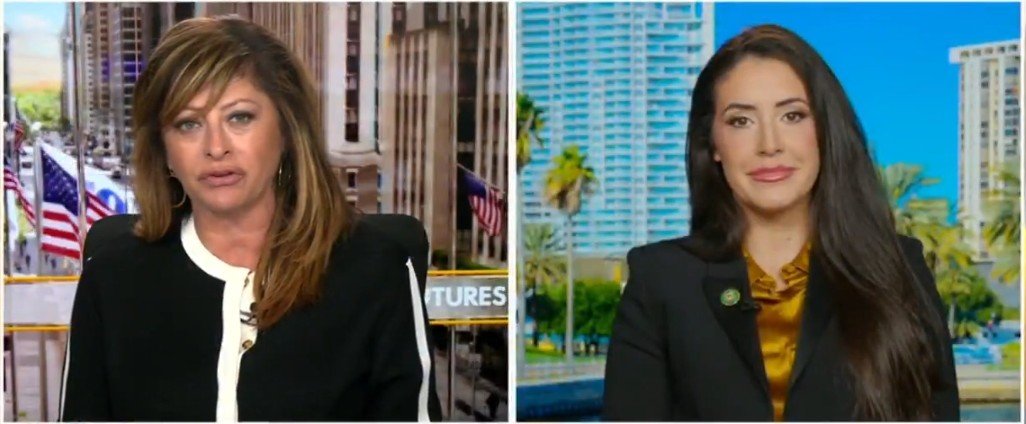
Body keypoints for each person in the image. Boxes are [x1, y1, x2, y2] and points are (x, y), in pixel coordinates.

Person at [60, 16, 440, 421]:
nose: (216, 146)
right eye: (188, 124)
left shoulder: (377, 271)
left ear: (287, 129)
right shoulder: (113, 280)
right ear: (164, 151)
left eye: (239, 117)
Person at [603, 25, 959, 421]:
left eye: (792, 115)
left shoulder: (898, 269)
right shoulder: (662, 279)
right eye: (741, 121)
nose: (769, 144)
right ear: (713, 145)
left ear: (824, 131)